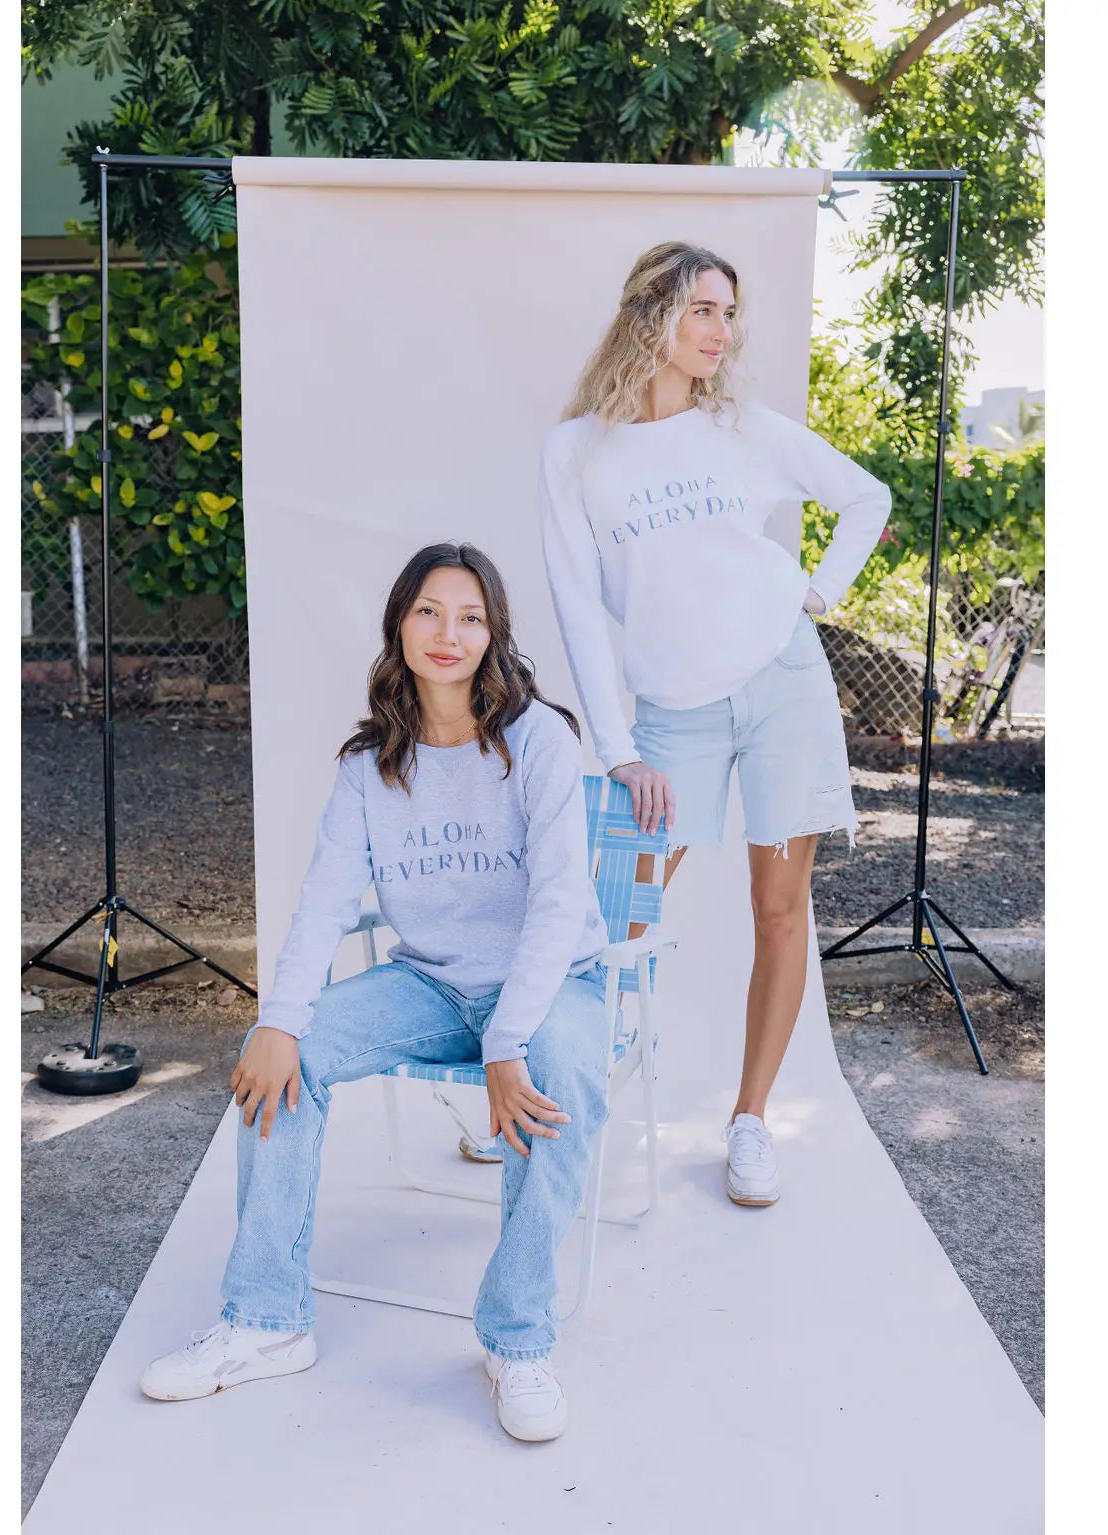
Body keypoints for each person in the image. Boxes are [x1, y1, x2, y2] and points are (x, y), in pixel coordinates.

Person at [139, 543, 609, 1443]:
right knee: (283, 1057)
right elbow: (325, 898)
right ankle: (267, 1320)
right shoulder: (370, 764)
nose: (447, 633)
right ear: (400, 622)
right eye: (429, 611)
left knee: (559, 1076)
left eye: (470, 616)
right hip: (430, 984)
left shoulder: (537, 740)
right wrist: (279, 1021)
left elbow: (558, 903)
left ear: (494, 635)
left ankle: (517, 1340)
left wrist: (508, 1039)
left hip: (550, 989)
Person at [539, 240, 890, 1208]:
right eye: (702, 309)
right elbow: (576, 609)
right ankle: (541, 1090)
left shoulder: (741, 428)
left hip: (783, 686)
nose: (720, 331)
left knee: (777, 910)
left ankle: (749, 1120)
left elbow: (865, 496)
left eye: (728, 313)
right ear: (650, 313)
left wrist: (817, 592)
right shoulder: (574, 453)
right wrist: (617, 751)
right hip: (673, 714)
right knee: (610, 915)